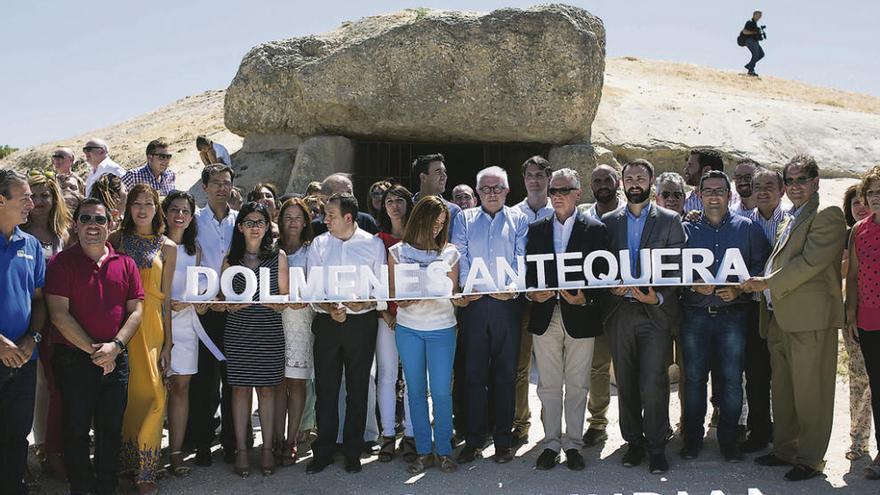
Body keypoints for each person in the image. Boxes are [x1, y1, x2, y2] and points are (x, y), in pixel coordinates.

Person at [742, 153, 846, 481]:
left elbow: (810, 264)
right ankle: (785, 449)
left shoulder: (827, 214)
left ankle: (811, 458)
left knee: (811, 392)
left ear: (816, 182)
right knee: (784, 391)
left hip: (811, 320)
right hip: (779, 318)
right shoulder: (789, 217)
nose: (796, 186)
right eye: (791, 181)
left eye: (803, 180)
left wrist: (767, 283)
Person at [46, 197, 144, 495]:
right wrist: (97, 352)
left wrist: (114, 347)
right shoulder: (61, 263)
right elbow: (58, 315)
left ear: (110, 224)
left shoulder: (125, 263)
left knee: (110, 431)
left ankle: (107, 488)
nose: (93, 225)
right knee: (75, 431)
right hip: (74, 359)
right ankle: (82, 487)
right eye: (86, 219)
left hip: (116, 358)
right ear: (75, 225)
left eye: (99, 220)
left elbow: (136, 311)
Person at [601, 159, 686, 474]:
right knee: (626, 381)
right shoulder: (608, 222)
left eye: (640, 177)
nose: (634, 182)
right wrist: (608, 289)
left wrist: (658, 296)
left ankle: (656, 445)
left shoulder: (669, 221)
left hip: (655, 311)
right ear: (622, 184)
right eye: (629, 178)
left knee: (654, 381)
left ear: (651, 182)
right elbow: (597, 266)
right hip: (620, 312)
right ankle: (633, 443)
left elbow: (678, 269)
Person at [679, 171, 770, 463]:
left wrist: (739, 290)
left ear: (729, 195)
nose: (714, 196)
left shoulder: (748, 229)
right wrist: (691, 283)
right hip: (695, 315)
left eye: (720, 191)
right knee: (693, 379)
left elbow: (761, 269)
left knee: (732, 380)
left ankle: (728, 441)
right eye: (708, 191)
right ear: (700, 195)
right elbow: (670, 268)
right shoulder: (686, 229)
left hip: (733, 317)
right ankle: (692, 439)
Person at [526, 169, 609, 471]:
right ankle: (550, 443)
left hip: (580, 314)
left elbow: (604, 276)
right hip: (545, 315)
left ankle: (573, 444)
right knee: (548, 385)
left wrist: (585, 298)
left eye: (564, 190)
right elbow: (528, 274)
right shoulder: (536, 228)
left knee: (577, 384)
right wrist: (532, 295)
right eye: (553, 190)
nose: (557, 195)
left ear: (578, 193)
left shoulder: (596, 229)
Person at [452, 166, 529, 464]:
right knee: (473, 374)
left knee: (505, 375)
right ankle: (473, 439)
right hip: (474, 304)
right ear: (478, 192)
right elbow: (461, 254)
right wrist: (472, 287)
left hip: (507, 305)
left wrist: (513, 288)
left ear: (508, 191)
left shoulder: (519, 219)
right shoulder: (465, 218)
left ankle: (502, 441)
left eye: (497, 188)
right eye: (485, 189)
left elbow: (520, 257)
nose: (492, 193)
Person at [305, 193, 386, 475]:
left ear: (348, 218)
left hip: (360, 325)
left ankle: (354, 450)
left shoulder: (372, 244)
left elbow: (381, 287)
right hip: (327, 323)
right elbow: (312, 286)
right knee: (325, 390)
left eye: (331, 216)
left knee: (358, 388)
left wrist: (365, 303)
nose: (324, 220)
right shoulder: (318, 244)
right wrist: (328, 307)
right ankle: (324, 451)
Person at [387, 195, 464, 474]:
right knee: (415, 392)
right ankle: (423, 451)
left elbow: (452, 293)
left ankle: (444, 450)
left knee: (442, 392)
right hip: (409, 329)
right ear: (420, 217)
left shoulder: (451, 252)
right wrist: (401, 301)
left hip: (442, 328)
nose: (437, 228)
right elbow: (393, 293)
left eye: (442, 223)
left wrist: (460, 299)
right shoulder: (397, 251)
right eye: (434, 221)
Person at [111, 184, 176, 494]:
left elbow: (167, 300)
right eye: (136, 204)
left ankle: (148, 470)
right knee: (127, 397)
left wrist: (168, 344)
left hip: (152, 327)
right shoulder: (117, 241)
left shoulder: (168, 247)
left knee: (155, 395)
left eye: (148, 204)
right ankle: (128, 464)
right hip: (122, 325)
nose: (142, 209)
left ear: (156, 208)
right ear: (129, 208)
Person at [221, 202, 288, 477]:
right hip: (238, 333)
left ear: (267, 225)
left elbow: (286, 296)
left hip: (269, 331)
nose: (255, 226)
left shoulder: (278, 256)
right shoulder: (230, 259)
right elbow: (221, 297)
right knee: (239, 390)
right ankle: (241, 450)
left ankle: (268, 450)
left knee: (268, 390)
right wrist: (227, 305)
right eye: (249, 221)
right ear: (240, 227)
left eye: (260, 221)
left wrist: (279, 304)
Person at [187, 164, 238, 466]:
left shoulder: (239, 221)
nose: (222, 188)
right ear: (204, 187)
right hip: (204, 311)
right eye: (216, 183)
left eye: (226, 183)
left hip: (233, 309)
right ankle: (203, 443)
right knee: (204, 382)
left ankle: (231, 443)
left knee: (233, 379)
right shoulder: (193, 222)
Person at [0, 170, 47, 495]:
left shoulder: (31, 244)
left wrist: (32, 339)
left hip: (24, 359)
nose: (32, 203)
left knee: (17, 434)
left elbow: (39, 300)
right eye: (24, 197)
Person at [22, 170, 69, 479]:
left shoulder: (63, 233)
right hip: (28, 317)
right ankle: (38, 445)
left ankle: (54, 445)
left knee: (55, 385)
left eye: (45, 195)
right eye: (34, 195)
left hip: (60, 318)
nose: (39, 201)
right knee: (35, 384)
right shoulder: (17, 232)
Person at [739, 167, 789, 454]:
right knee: (756, 376)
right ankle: (758, 431)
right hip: (755, 311)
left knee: (784, 376)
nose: (763, 191)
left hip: (785, 308)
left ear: (781, 190)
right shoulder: (744, 223)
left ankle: (785, 435)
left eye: (770, 185)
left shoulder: (793, 222)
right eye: (758, 186)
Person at [510, 155, 554, 448]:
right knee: (521, 367)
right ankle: (520, 423)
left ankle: (552, 427)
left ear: (548, 178)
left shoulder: (562, 209)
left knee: (553, 371)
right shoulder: (513, 214)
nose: (535, 180)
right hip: (524, 300)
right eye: (530, 175)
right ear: (523, 179)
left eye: (540, 175)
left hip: (555, 299)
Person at [161, 191, 205, 477]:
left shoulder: (195, 250)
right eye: (174, 209)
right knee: (155, 390)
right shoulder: (156, 246)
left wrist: (195, 302)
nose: (180, 215)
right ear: (164, 213)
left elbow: (201, 287)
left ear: (191, 216)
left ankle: (175, 453)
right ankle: (148, 453)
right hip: (156, 323)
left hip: (187, 326)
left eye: (185, 211)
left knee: (181, 389)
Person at [272, 198, 316, 467]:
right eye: (287, 216)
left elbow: (318, 285)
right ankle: (276, 439)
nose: (292, 222)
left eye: (297, 217)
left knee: (297, 382)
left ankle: (292, 441)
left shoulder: (313, 251)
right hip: (275, 322)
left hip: (301, 321)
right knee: (277, 383)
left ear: (305, 222)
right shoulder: (271, 249)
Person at [583, 163, 622, 447]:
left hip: (629, 303)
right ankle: (597, 423)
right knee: (598, 368)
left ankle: (642, 425)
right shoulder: (583, 218)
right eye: (597, 181)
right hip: (596, 305)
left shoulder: (631, 214)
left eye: (607, 179)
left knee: (634, 367)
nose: (602, 185)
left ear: (617, 182)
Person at [375, 185, 416, 462]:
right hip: (385, 317)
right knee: (388, 374)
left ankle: (413, 435)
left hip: (413, 315)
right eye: (389, 200)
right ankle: (388, 435)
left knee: (413, 378)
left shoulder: (418, 237)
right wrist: (384, 312)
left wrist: (405, 312)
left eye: (399, 199)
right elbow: (373, 279)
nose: (394, 204)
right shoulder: (377, 240)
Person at [845, 166, 880, 479]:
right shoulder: (860, 230)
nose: (875, 198)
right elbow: (853, 275)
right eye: (871, 193)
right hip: (868, 317)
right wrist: (851, 313)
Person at [842, 183, 874, 462]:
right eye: (856, 203)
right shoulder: (851, 234)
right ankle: (859, 440)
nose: (862, 206)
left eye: (866, 199)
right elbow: (849, 276)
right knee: (860, 381)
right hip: (858, 317)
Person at [410, 154, 462, 236]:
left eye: (444, 172)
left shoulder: (453, 211)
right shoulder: (406, 207)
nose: (444, 176)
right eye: (438, 172)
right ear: (423, 177)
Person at [311, 174, 379, 235]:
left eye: (350, 192)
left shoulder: (366, 221)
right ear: (326, 199)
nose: (350, 196)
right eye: (344, 193)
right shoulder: (316, 227)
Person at [682, 148, 740, 214]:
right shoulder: (684, 201)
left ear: (707, 171)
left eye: (690, 166)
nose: (685, 170)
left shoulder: (735, 201)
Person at [740, 10, 766, 76]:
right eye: (758, 15)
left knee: (761, 54)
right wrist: (754, 32)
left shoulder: (755, 24)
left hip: (755, 41)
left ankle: (749, 65)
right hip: (750, 41)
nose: (759, 17)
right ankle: (751, 70)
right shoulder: (750, 22)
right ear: (754, 15)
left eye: (760, 16)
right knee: (755, 55)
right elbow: (744, 32)